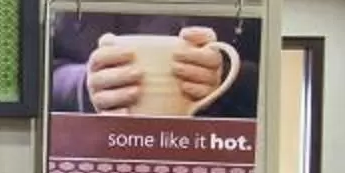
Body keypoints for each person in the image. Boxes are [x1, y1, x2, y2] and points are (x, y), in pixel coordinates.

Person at [50, 22, 238, 114]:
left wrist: (223, 75)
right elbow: (32, 71)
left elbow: (264, 75)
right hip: (86, 150)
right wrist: (83, 84)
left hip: (215, 148)